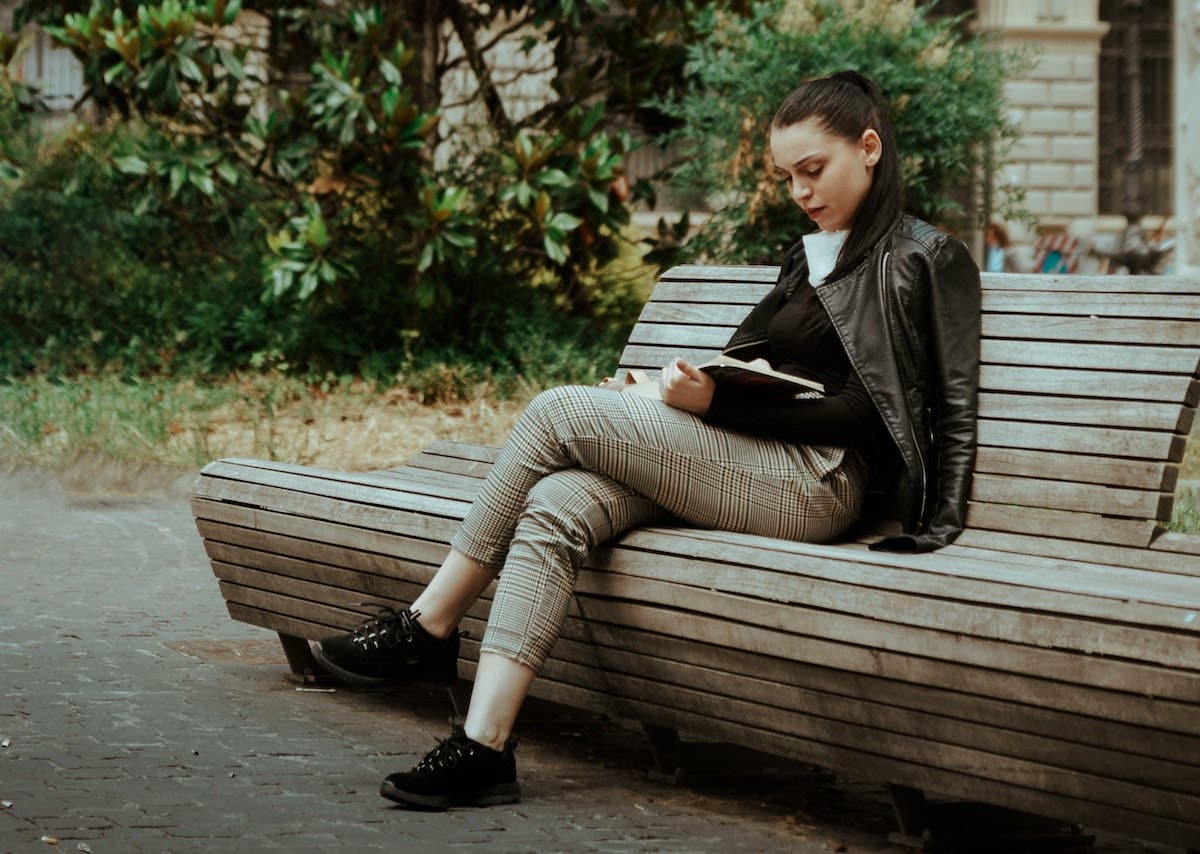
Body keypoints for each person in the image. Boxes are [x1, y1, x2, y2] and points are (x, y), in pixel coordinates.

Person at [312, 70, 981, 810]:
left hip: (817, 483)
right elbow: (743, 362)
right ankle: (484, 747)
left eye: (813, 171)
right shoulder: (813, 256)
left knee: (554, 412)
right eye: (787, 177)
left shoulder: (925, 257)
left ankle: (428, 625)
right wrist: (667, 398)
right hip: (748, 465)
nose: (800, 191)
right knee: (558, 503)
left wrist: (718, 408)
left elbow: (873, 411)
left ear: (870, 147)